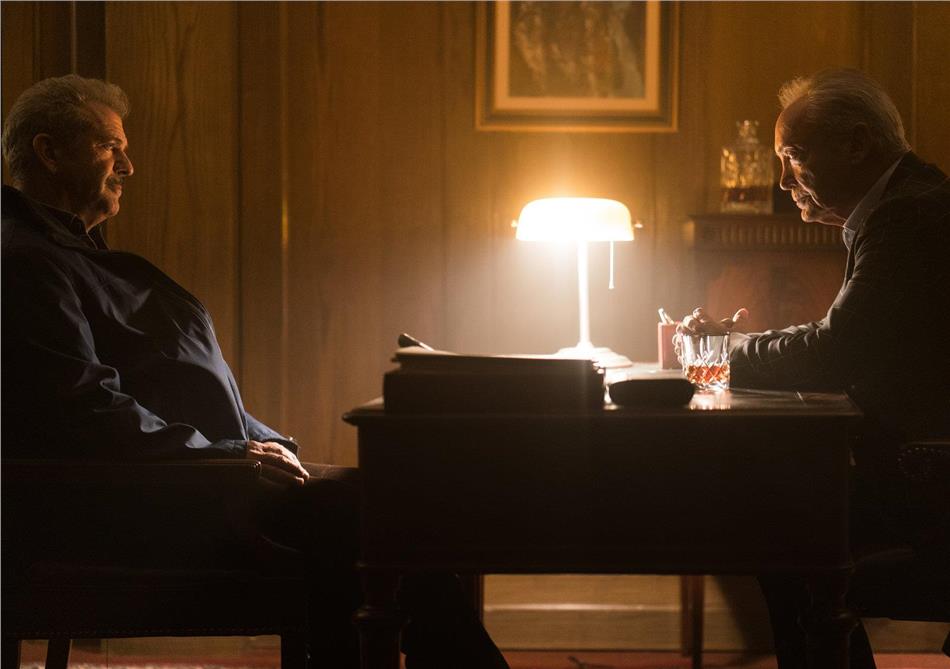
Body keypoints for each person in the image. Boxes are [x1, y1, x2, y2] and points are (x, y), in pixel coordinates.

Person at [1, 74, 508, 669]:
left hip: (198, 475)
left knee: (393, 500)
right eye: (111, 147)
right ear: (48, 152)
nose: (128, 167)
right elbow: (83, 410)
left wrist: (265, 442)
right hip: (138, 501)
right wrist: (228, 453)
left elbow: (176, 387)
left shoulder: (69, 252)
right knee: (371, 518)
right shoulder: (26, 262)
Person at [679, 69, 950, 668]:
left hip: (934, 484)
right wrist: (739, 343)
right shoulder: (911, 203)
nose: (783, 181)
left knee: (777, 530)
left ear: (856, 145)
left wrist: (720, 352)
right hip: (923, 462)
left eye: (794, 157)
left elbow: (835, 351)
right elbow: (848, 340)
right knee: (777, 515)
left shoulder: (909, 217)